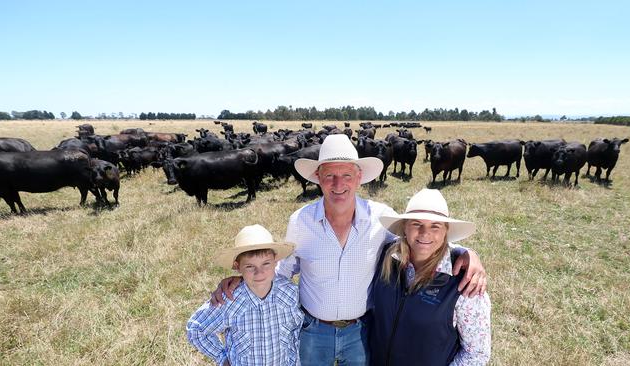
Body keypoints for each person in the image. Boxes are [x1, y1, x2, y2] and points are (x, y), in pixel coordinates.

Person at [212, 135, 487, 365]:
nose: (338, 184)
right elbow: (282, 271)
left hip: (363, 330)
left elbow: (421, 237)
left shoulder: (380, 217)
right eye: (329, 175)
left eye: (346, 175)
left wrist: (465, 253)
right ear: (318, 178)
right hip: (312, 329)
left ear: (359, 179)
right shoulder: (301, 221)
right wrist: (247, 280)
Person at [370, 189, 491, 365]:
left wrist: (468, 252)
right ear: (404, 227)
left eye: (435, 225)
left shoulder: (464, 282)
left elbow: (476, 354)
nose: (425, 233)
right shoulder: (386, 256)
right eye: (416, 224)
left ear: (445, 232)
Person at [186, 224, 303, 366]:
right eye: (249, 266)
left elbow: (296, 330)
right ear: (237, 266)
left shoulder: (290, 293)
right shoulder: (230, 300)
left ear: (276, 261)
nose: (259, 272)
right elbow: (196, 329)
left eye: (266, 263)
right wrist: (223, 359)